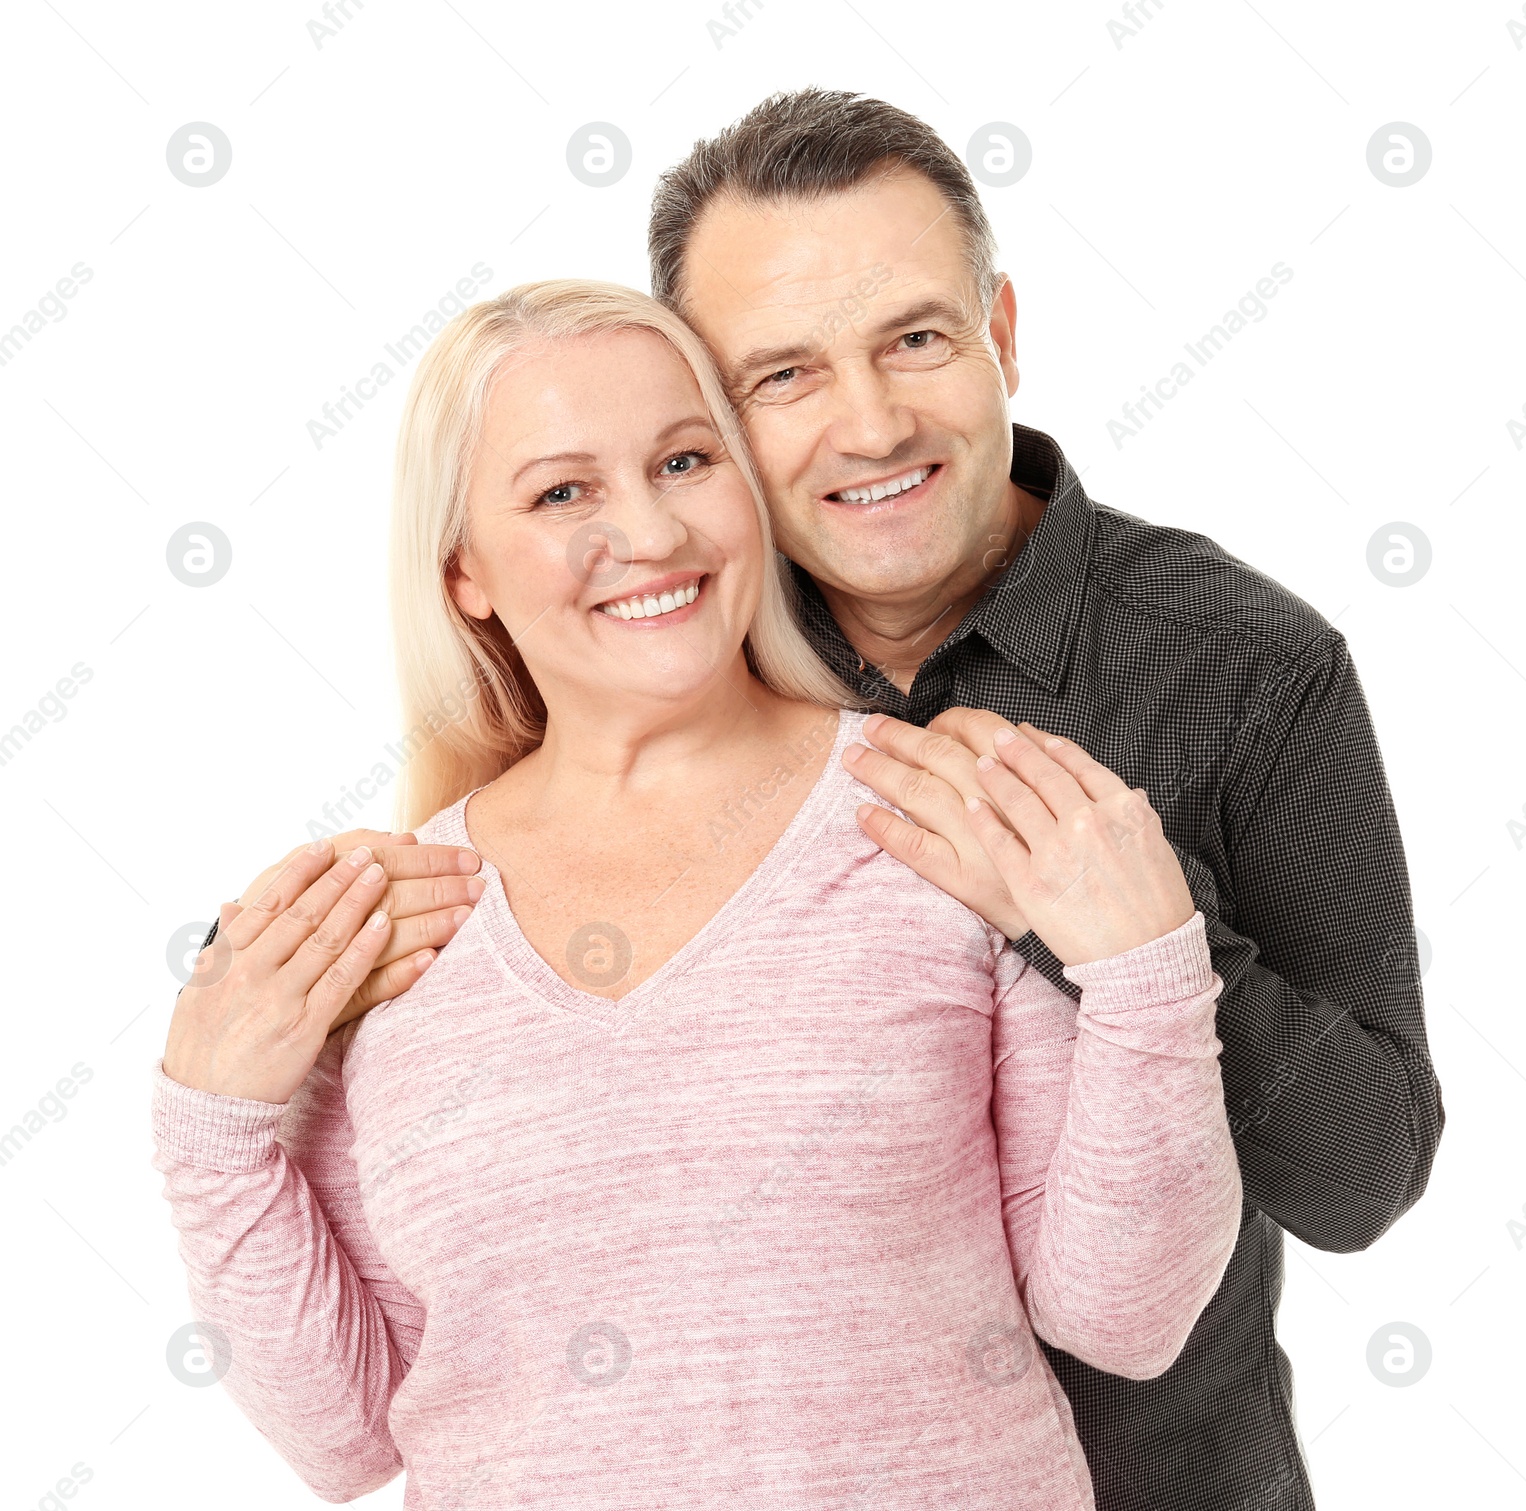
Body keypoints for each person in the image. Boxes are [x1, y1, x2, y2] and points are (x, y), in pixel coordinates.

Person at [198, 90, 1443, 1510]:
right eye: (779, 376)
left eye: (915, 337)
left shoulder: (1234, 659)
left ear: (1003, 334)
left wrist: (1137, 947)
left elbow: (1357, 1177)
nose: (867, 423)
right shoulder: (662, 609)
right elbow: (382, 1372)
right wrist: (254, 1048)